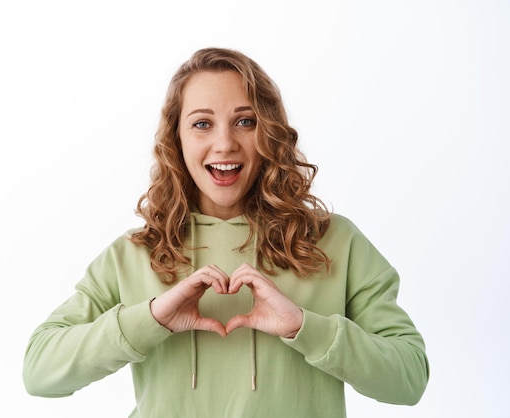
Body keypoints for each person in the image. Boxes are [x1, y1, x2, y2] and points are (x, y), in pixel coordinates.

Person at [23, 47, 429, 417]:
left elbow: (408, 379)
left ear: (269, 132)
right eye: (202, 123)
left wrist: (304, 328)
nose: (224, 143)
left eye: (245, 121)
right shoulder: (132, 255)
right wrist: (150, 319)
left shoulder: (336, 243)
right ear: (176, 139)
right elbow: (39, 372)